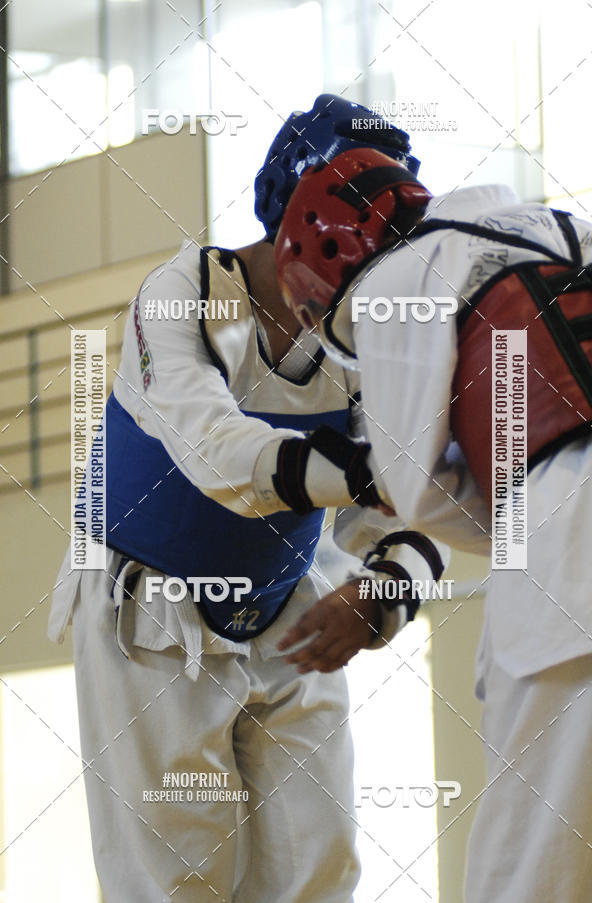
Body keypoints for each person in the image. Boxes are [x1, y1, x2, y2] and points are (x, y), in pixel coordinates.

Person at [49, 97, 448, 903]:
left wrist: (383, 591)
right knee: (176, 881)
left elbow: (419, 511)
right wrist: (383, 472)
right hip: (150, 612)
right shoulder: (182, 295)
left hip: (288, 601)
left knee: (321, 867)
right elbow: (218, 453)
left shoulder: (366, 333)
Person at [274, 146, 592, 901]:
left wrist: (503, 509)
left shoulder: (397, 281)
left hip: (571, 552)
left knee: (531, 865)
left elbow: (413, 487)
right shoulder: (564, 224)